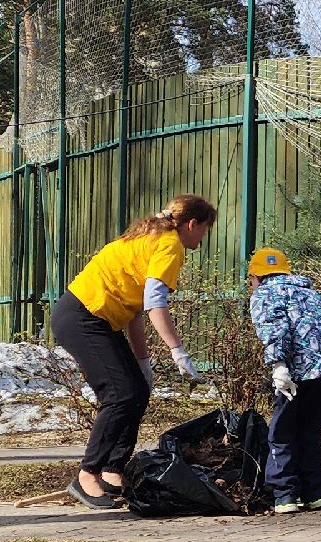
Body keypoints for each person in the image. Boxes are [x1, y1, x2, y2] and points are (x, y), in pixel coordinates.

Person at [50, 194, 215, 509]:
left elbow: (135, 312)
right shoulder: (171, 245)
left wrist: (144, 364)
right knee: (120, 395)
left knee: (136, 390)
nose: (203, 238)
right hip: (84, 316)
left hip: (91, 317)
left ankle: (113, 471)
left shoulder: (150, 237)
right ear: (192, 224)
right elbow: (155, 303)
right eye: (204, 230)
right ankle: (88, 474)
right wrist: (177, 351)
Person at [246, 247, 321, 514]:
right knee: (310, 429)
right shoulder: (309, 292)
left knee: (282, 431)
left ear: (255, 276)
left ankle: (285, 496)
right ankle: (315, 494)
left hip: (296, 371)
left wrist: (278, 366)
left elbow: (274, 329)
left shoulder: (264, 294)